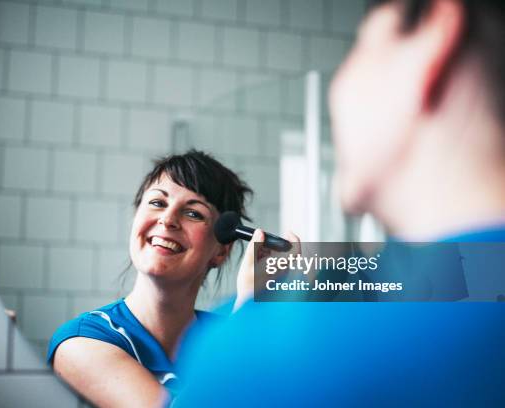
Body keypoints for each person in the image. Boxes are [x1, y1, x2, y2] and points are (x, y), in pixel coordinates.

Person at [174, 0, 505, 406]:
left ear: (433, 39)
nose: (338, 86)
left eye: (360, 47)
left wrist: (250, 314)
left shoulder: (258, 355)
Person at [47, 150, 296, 407]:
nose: (167, 220)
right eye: (157, 203)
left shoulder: (225, 334)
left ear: (222, 250)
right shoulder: (81, 343)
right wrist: (248, 309)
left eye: (194, 213)